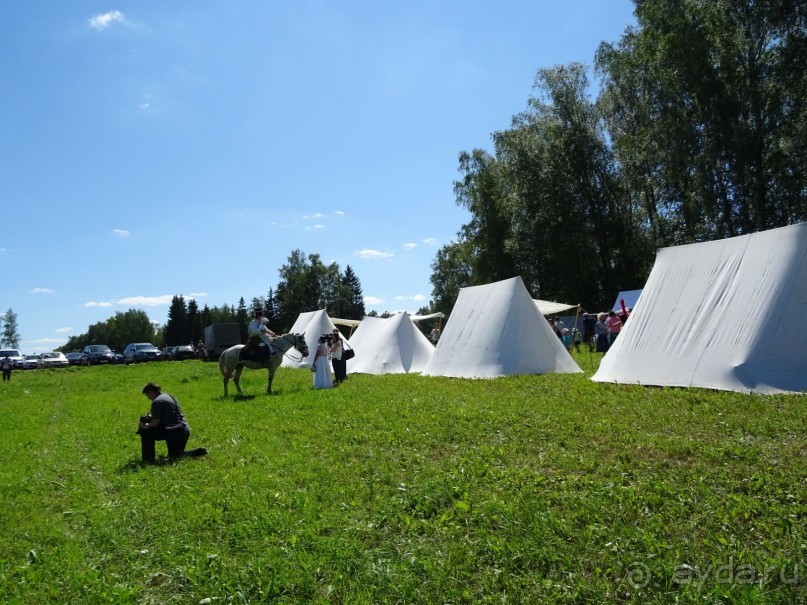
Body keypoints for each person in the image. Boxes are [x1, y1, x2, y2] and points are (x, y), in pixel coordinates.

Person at [137, 382, 207, 463]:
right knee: (176, 457)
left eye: (147, 395)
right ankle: (199, 452)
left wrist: (145, 425)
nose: (148, 398)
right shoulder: (169, 396)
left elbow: (155, 423)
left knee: (145, 432)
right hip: (184, 430)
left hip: (173, 432)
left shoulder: (156, 402)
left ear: (151, 391)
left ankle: (147, 460)